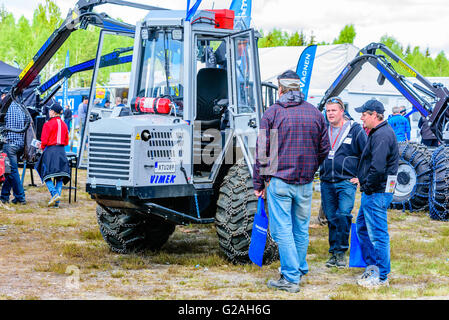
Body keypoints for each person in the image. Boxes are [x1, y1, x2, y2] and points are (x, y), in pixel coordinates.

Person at [253, 70, 330, 293]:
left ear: (281, 89)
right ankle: (299, 266)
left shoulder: (273, 113)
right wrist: (311, 168)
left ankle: (290, 277)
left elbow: (263, 152)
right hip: (305, 183)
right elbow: (324, 149)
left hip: (280, 181)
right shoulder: (315, 113)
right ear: (298, 88)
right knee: (300, 229)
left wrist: (258, 183)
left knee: (283, 230)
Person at [354, 99, 399, 288]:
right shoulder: (379, 132)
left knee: (378, 235)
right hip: (377, 191)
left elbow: (378, 168)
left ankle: (381, 277)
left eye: (364, 114)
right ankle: (373, 267)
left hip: (376, 192)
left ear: (374, 114)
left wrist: (366, 186)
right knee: (362, 228)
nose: (361, 118)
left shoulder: (381, 135)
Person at [319, 96, 367, 269]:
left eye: (334, 110)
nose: (330, 114)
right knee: (331, 218)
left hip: (346, 181)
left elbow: (366, 154)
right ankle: (334, 252)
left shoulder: (355, 130)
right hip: (326, 181)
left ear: (341, 111)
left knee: (343, 215)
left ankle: (341, 252)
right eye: (328, 111)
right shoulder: (323, 129)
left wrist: (361, 176)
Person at [35, 102, 70, 208]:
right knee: (59, 176)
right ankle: (56, 202)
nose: (49, 112)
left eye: (50, 110)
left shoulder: (48, 124)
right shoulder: (64, 124)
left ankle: (54, 193)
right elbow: (66, 141)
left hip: (50, 151)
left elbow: (44, 141)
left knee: (44, 172)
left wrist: (40, 146)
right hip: (61, 151)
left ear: (54, 112)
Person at [0, 102, 28, 205]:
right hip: (20, 144)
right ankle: (4, 196)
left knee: (12, 171)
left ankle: (21, 197)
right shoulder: (20, 107)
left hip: (10, 144)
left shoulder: (5, 108)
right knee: (9, 171)